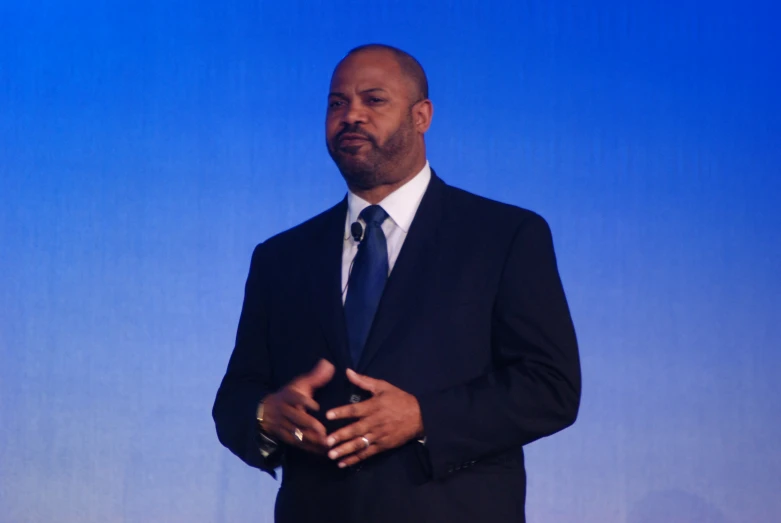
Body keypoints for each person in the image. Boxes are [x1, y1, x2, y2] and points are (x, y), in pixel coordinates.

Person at [212, 43, 581, 523]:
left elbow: (550, 386)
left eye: (374, 100)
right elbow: (236, 396)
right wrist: (265, 414)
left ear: (421, 115)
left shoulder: (504, 236)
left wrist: (425, 416)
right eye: (337, 103)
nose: (351, 116)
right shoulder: (281, 257)